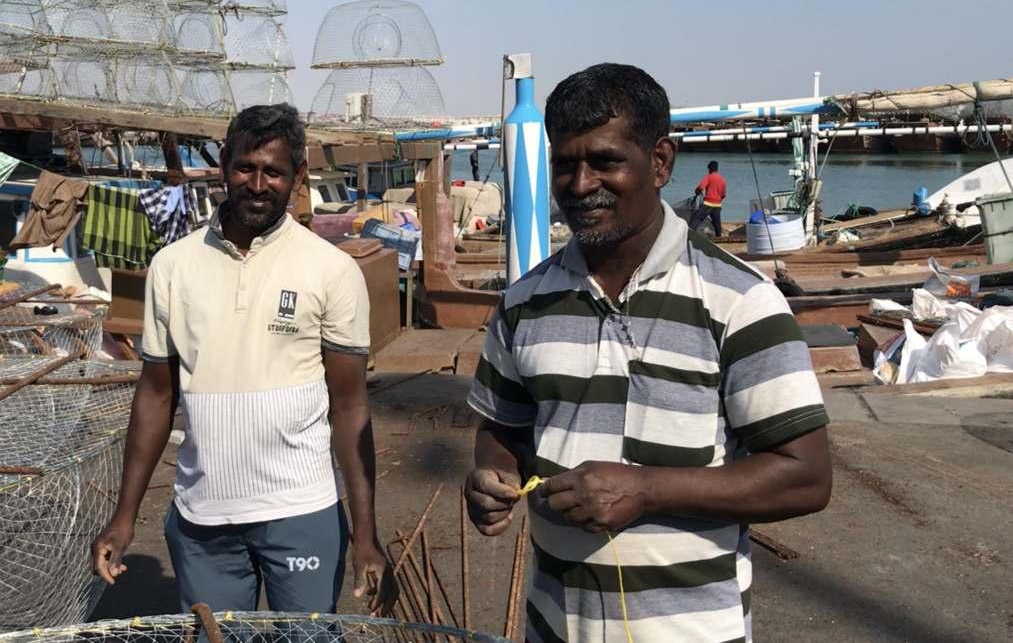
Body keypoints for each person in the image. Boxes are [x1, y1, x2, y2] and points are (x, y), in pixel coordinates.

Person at [464, 64, 831, 642]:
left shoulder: (740, 301)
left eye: (605, 161)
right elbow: (503, 427)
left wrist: (645, 489)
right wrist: (493, 475)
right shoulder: (522, 303)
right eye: (565, 164)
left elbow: (806, 477)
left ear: (660, 162)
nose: (580, 185)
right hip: (555, 625)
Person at [91, 104, 397, 615]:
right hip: (202, 519)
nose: (257, 185)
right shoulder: (172, 266)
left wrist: (366, 535)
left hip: (302, 512)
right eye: (245, 168)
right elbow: (156, 394)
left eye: (273, 172)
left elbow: (349, 407)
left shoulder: (332, 270)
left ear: (298, 175)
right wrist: (124, 517)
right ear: (223, 167)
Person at [689, 159, 727, 236]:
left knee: (696, 220)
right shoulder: (722, 179)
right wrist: (717, 200)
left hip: (707, 204)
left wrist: (696, 191)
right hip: (717, 205)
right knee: (717, 224)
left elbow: (700, 187)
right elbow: (723, 195)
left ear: (710, 169)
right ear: (717, 169)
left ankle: (689, 235)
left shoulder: (709, 177)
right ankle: (719, 238)